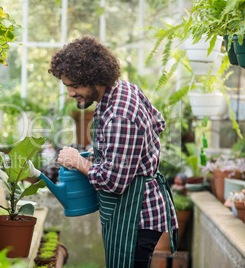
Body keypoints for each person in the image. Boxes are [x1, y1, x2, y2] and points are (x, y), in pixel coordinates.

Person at [48, 36, 178, 268]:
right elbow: (158, 122)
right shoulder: (123, 89)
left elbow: (113, 182)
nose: (70, 93)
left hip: (135, 216)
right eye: (67, 85)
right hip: (131, 213)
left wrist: (78, 161)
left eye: (75, 86)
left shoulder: (120, 115)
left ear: (94, 78)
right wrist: (112, 153)